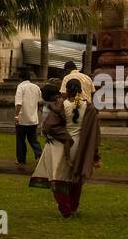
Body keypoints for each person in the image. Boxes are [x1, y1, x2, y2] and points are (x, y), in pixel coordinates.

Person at [29, 79, 101, 218]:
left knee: (58, 178)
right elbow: (95, 133)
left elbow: (49, 126)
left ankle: (65, 209)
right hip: (81, 147)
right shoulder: (89, 107)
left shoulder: (62, 104)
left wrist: (61, 134)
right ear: (80, 90)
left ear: (67, 91)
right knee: (76, 178)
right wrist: (95, 154)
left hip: (62, 145)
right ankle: (73, 207)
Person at [13, 74, 43, 169]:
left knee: (20, 139)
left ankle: (21, 159)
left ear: (21, 79)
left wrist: (16, 115)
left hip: (22, 118)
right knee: (33, 139)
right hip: (33, 118)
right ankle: (39, 155)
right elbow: (39, 102)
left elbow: (18, 103)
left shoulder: (21, 87)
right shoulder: (36, 87)